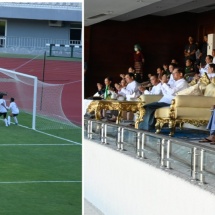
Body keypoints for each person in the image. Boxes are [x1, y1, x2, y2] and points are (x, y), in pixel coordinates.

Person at [139, 67, 189, 131]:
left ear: (181, 74)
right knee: (146, 107)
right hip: (164, 100)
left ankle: (147, 127)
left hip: (170, 102)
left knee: (148, 107)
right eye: (172, 73)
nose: (173, 74)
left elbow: (172, 92)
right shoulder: (175, 82)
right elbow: (166, 93)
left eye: (175, 73)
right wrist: (163, 83)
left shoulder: (183, 83)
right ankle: (146, 126)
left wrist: (165, 84)